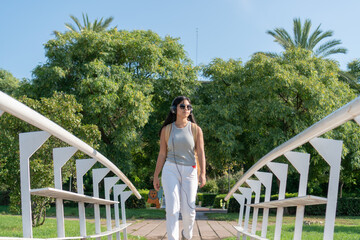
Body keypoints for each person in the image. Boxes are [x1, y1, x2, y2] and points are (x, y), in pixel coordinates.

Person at [153, 96, 206, 240]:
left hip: (190, 171)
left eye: (189, 107)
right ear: (174, 109)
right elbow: (162, 153)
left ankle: (186, 236)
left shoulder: (196, 129)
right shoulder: (167, 129)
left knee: (189, 211)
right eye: (182, 106)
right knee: (172, 209)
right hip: (170, 170)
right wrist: (156, 175)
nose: (186, 109)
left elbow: (201, 152)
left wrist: (203, 174)